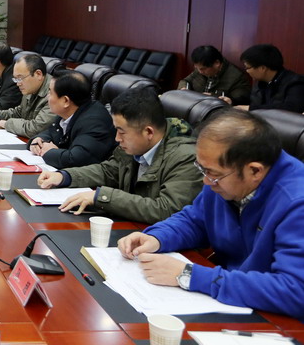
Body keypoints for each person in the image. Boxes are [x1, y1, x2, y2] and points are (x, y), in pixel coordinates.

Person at [117, 109, 304, 319]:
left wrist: (190, 275)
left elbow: (296, 290)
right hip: (231, 300)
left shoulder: (297, 202)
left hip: (276, 321)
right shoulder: (223, 179)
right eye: (202, 170)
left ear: (254, 171)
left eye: (212, 174)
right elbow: (195, 220)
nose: (206, 181)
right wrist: (157, 237)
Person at [38, 87, 202, 224]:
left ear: (148, 132)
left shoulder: (186, 158)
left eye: (121, 132)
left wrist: (102, 197)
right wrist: (65, 176)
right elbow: (108, 171)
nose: (117, 138)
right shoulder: (134, 146)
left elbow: (165, 210)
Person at [29, 71, 115, 169]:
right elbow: (51, 132)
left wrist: (48, 152)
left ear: (65, 101)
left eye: (50, 92)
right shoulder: (69, 112)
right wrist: (39, 140)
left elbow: (76, 160)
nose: (48, 96)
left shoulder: (94, 122)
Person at [0, 53, 54, 138]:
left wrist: (6, 124)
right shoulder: (31, 88)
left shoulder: (53, 94)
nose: (18, 84)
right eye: (16, 79)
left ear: (38, 74)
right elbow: (19, 112)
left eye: (20, 78)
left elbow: (35, 128)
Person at [240, 44, 304, 112]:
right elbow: (251, 99)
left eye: (247, 68)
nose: (247, 71)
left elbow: (292, 108)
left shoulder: (295, 83)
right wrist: (233, 101)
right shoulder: (261, 82)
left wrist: (251, 108)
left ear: (262, 68)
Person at [178, 45, 250, 105]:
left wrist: (213, 97)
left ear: (217, 63)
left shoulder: (237, 77)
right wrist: (184, 89)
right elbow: (185, 81)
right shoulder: (200, 69)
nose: (200, 72)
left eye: (203, 69)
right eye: (197, 68)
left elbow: (238, 101)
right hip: (196, 107)